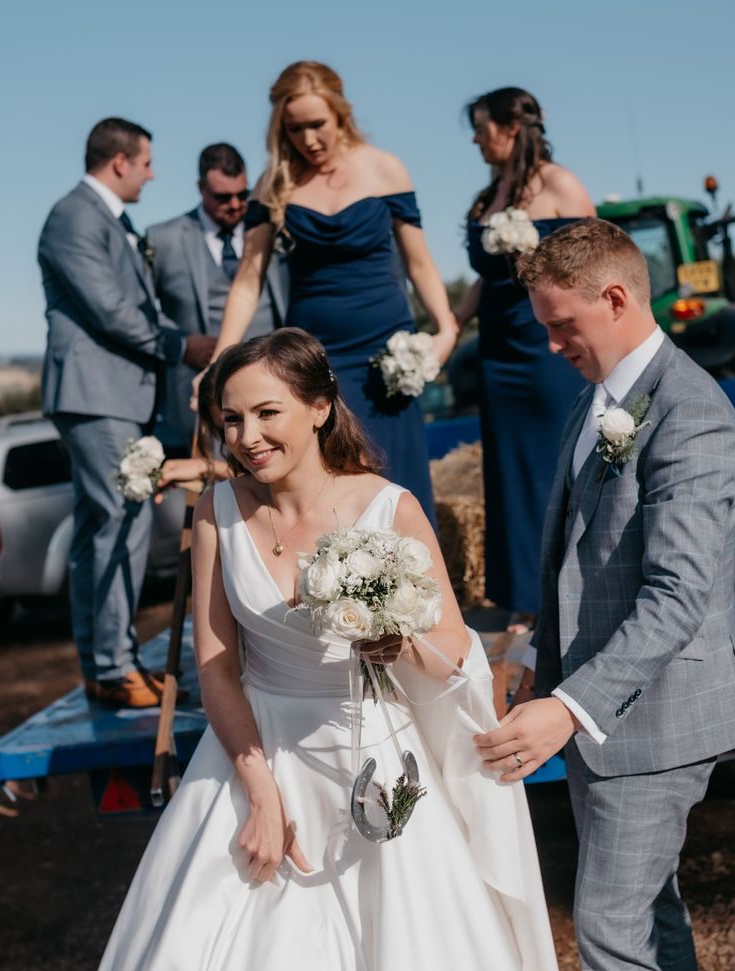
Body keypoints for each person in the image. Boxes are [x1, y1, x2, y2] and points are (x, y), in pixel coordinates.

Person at [89, 329, 562, 971]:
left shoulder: (389, 506)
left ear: (318, 407)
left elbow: (455, 646)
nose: (247, 436)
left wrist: (400, 641)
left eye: (267, 412)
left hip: (372, 750)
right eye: (231, 419)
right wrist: (260, 793)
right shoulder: (216, 512)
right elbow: (217, 669)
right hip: (256, 746)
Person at [474, 220, 735, 971]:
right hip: (605, 713)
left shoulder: (690, 413)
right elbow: (573, 555)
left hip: (655, 717)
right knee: (649, 910)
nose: (552, 343)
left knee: (607, 923)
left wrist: (570, 707)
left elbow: (677, 594)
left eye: (563, 324)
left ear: (618, 299)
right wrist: (538, 662)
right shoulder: (595, 400)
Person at [209, 61, 459, 523]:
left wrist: (446, 328)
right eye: (295, 128)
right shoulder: (275, 183)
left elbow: (419, 262)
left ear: (341, 113)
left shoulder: (385, 169)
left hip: (387, 357)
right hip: (316, 359)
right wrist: (219, 358)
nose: (308, 140)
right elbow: (247, 280)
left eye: (317, 124)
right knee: (331, 480)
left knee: (395, 477)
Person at [38, 117, 216, 709]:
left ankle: (108, 664)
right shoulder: (75, 217)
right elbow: (110, 310)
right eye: (146, 163)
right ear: (120, 162)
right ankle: (113, 670)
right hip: (94, 394)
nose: (152, 174)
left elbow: (134, 305)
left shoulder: (111, 220)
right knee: (121, 521)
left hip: (115, 396)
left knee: (101, 528)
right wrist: (181, 347)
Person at [454, 86, 596, 636]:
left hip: (545, 348)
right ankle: (526, 597)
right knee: (510, 473)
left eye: (480, 129)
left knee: (555, 467)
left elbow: (594, 263)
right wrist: (451, 327)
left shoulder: (561, 185)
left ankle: (573, 589)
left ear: (510, 127)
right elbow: (485, 279)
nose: (475, 140)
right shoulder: (489, 195)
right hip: (498, 354)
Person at [145, 143, 286, 551]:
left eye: (242, 194)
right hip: (198, 397)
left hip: (271, 388)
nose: (236, 205)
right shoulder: (162, 239)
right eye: (223, 197)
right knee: (212, 511)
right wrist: (182, 344)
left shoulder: (273, 230)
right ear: (200, 189)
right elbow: (143, 312)